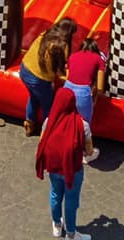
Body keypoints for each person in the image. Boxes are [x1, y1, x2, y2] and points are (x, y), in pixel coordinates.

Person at [35, 87, 94, 238]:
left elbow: (42, 141)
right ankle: (71, 234)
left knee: (55, 194)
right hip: (73, 170)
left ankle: (56, 225)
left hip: (53, 168)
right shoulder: (82, 125)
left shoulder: (49, 121)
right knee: (71, 201)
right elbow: (89, 151)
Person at [21, 20, 73, 135]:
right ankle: (48, 132)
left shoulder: (46, 34)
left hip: (25, 68)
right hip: (39, 79)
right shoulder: (60, 47)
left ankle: (29, 124)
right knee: (48, 107)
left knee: (34, 97)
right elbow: (59, 72)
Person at [64, 35, 108, 134]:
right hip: (82, 92)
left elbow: (68, 77)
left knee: (67, 121)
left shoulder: (72, 56)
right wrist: (94, 99)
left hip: (66, 90)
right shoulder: (98, 59)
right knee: (84, 127)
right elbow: (100, 88)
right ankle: (84, 148)